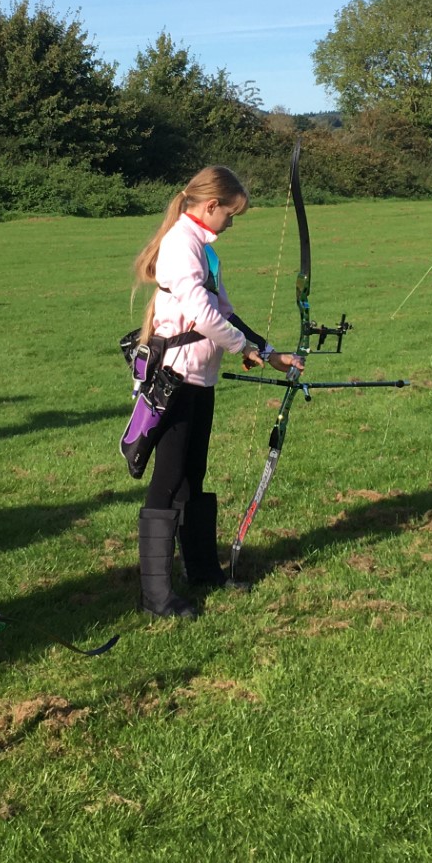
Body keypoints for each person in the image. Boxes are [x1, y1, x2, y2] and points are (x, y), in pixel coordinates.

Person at [128, 166, 302, 618]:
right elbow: (204, 317)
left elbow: (224, 311)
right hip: (173, 380)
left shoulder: (201, 247)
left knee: (194, 477)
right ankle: (156, 596)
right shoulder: (180, 246)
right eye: (231, 213)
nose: (232, 222)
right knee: (166, 482)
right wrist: (244, 346)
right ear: (211, 206)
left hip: (198, 378)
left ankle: (203, 570)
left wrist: (269, 351)